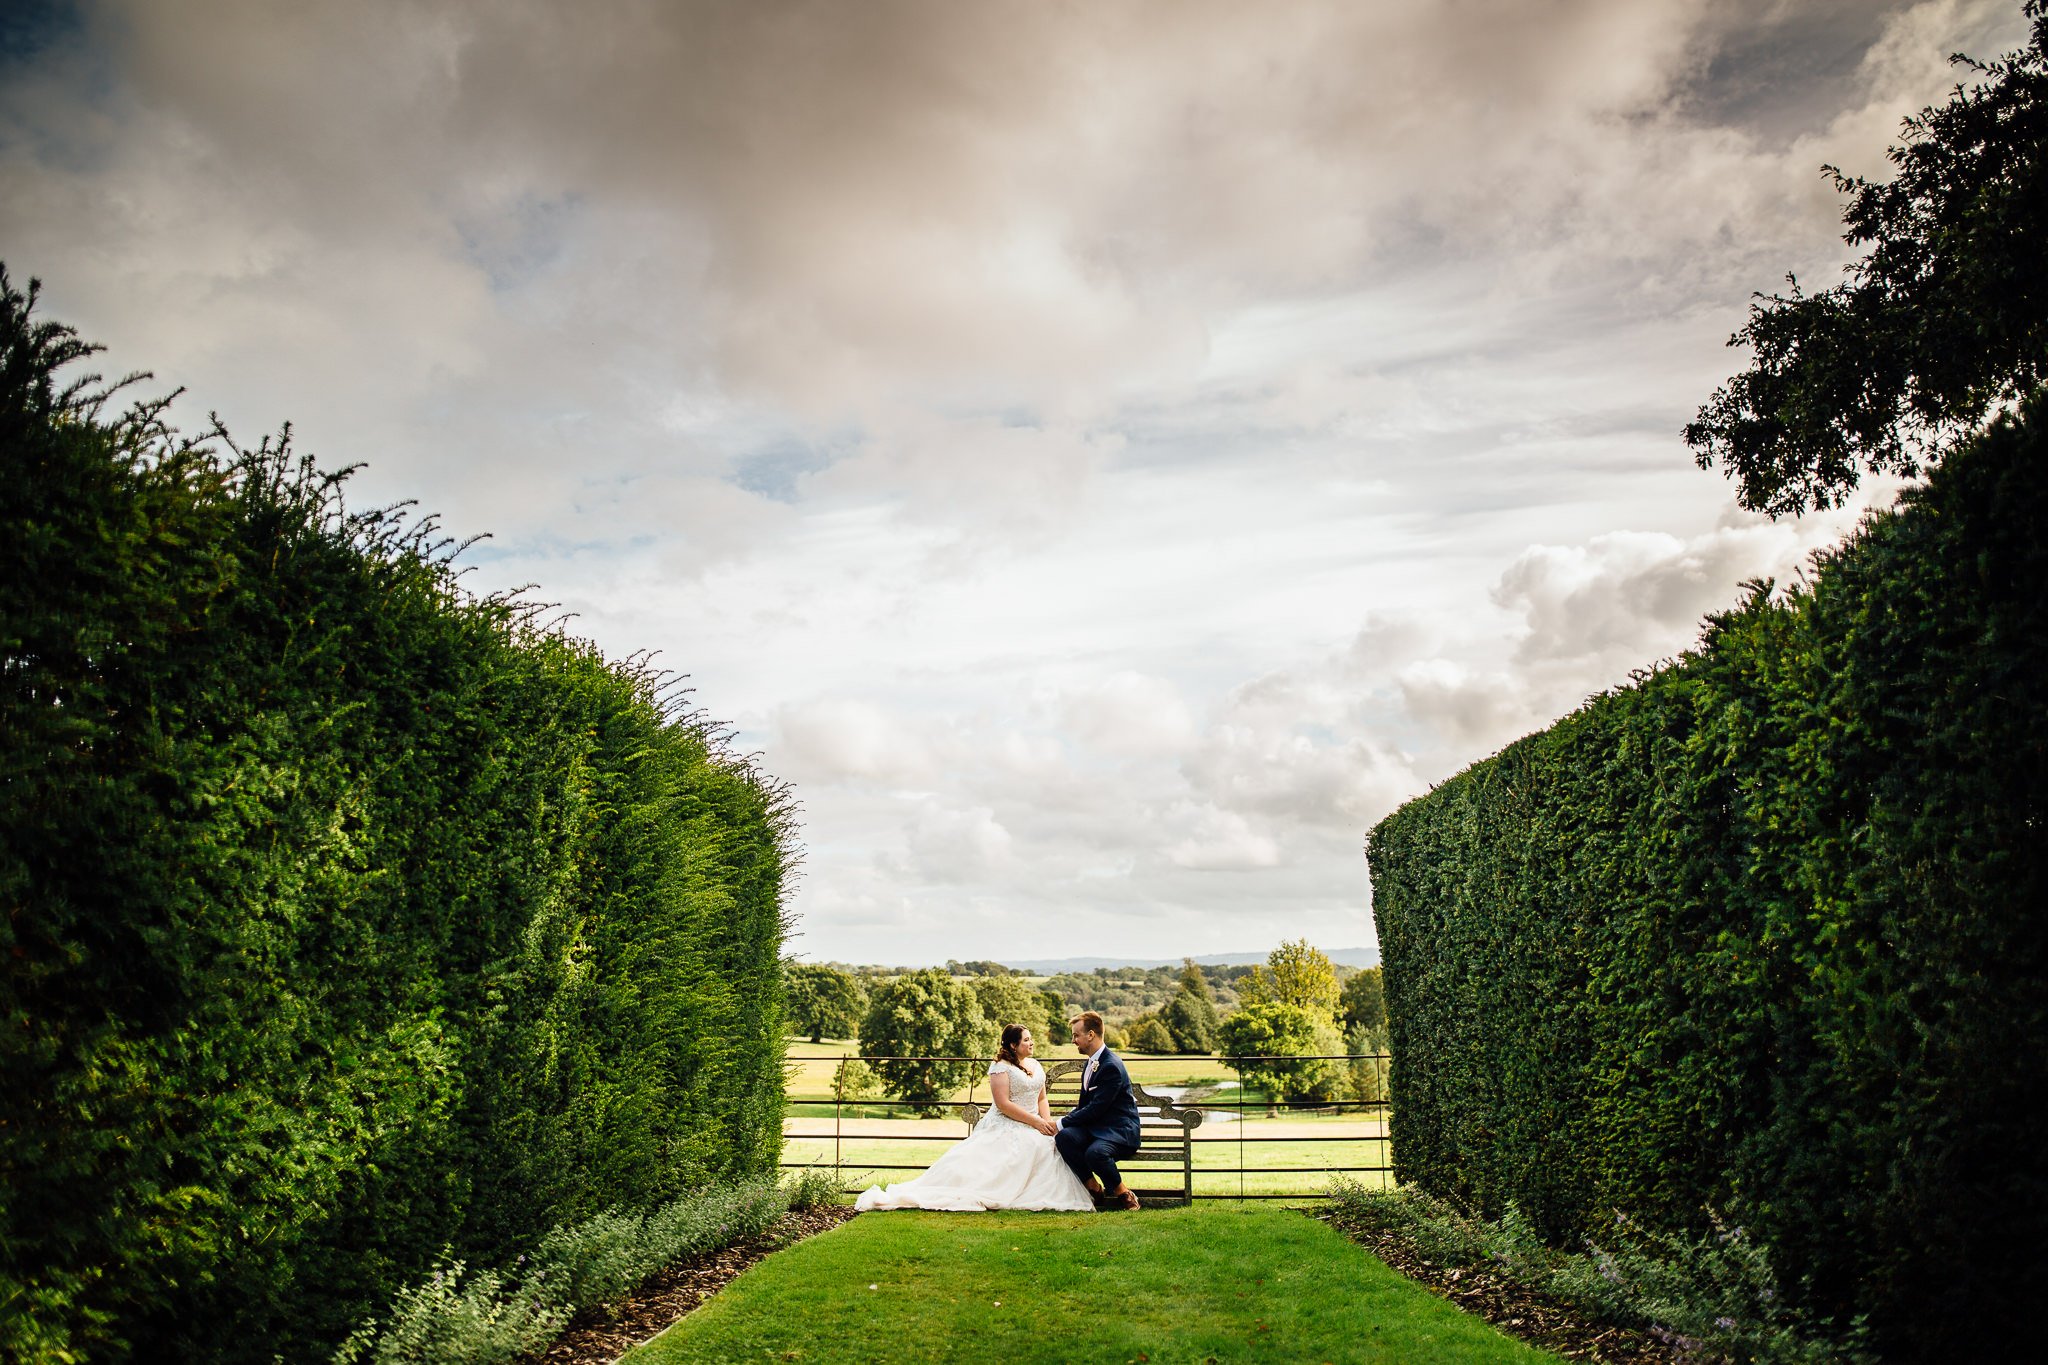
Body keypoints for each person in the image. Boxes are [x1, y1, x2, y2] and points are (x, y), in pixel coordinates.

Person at [855, 1024, 1094, 1212]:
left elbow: (1041, 1098)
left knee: (1049, 1144)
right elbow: (1003, 1104)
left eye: (1031, 1039)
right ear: (1012, 1045)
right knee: (1027, 1147)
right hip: (1008, 1123)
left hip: (1036, 1123)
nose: (1032, 1043)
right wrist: (1035, 1123)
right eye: (1026, 1040)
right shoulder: (1000, 1067)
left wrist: (1048, 1123)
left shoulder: (1034, 1065)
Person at [1054, 1011, 1143, 1212]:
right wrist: (1063, 1125)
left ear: (1091, 1035)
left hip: (1118, 1130)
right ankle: (1093, 1187)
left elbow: (1096, 1108)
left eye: (1076, 1035)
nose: (1073, 1040)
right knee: (1064, 1138)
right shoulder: (1091, 1062)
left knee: (1095, 1154)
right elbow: (1085, 1105)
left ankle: (1123, 1193)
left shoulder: (1111, 1065)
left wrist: (1059, 1123)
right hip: (1096, 1127)